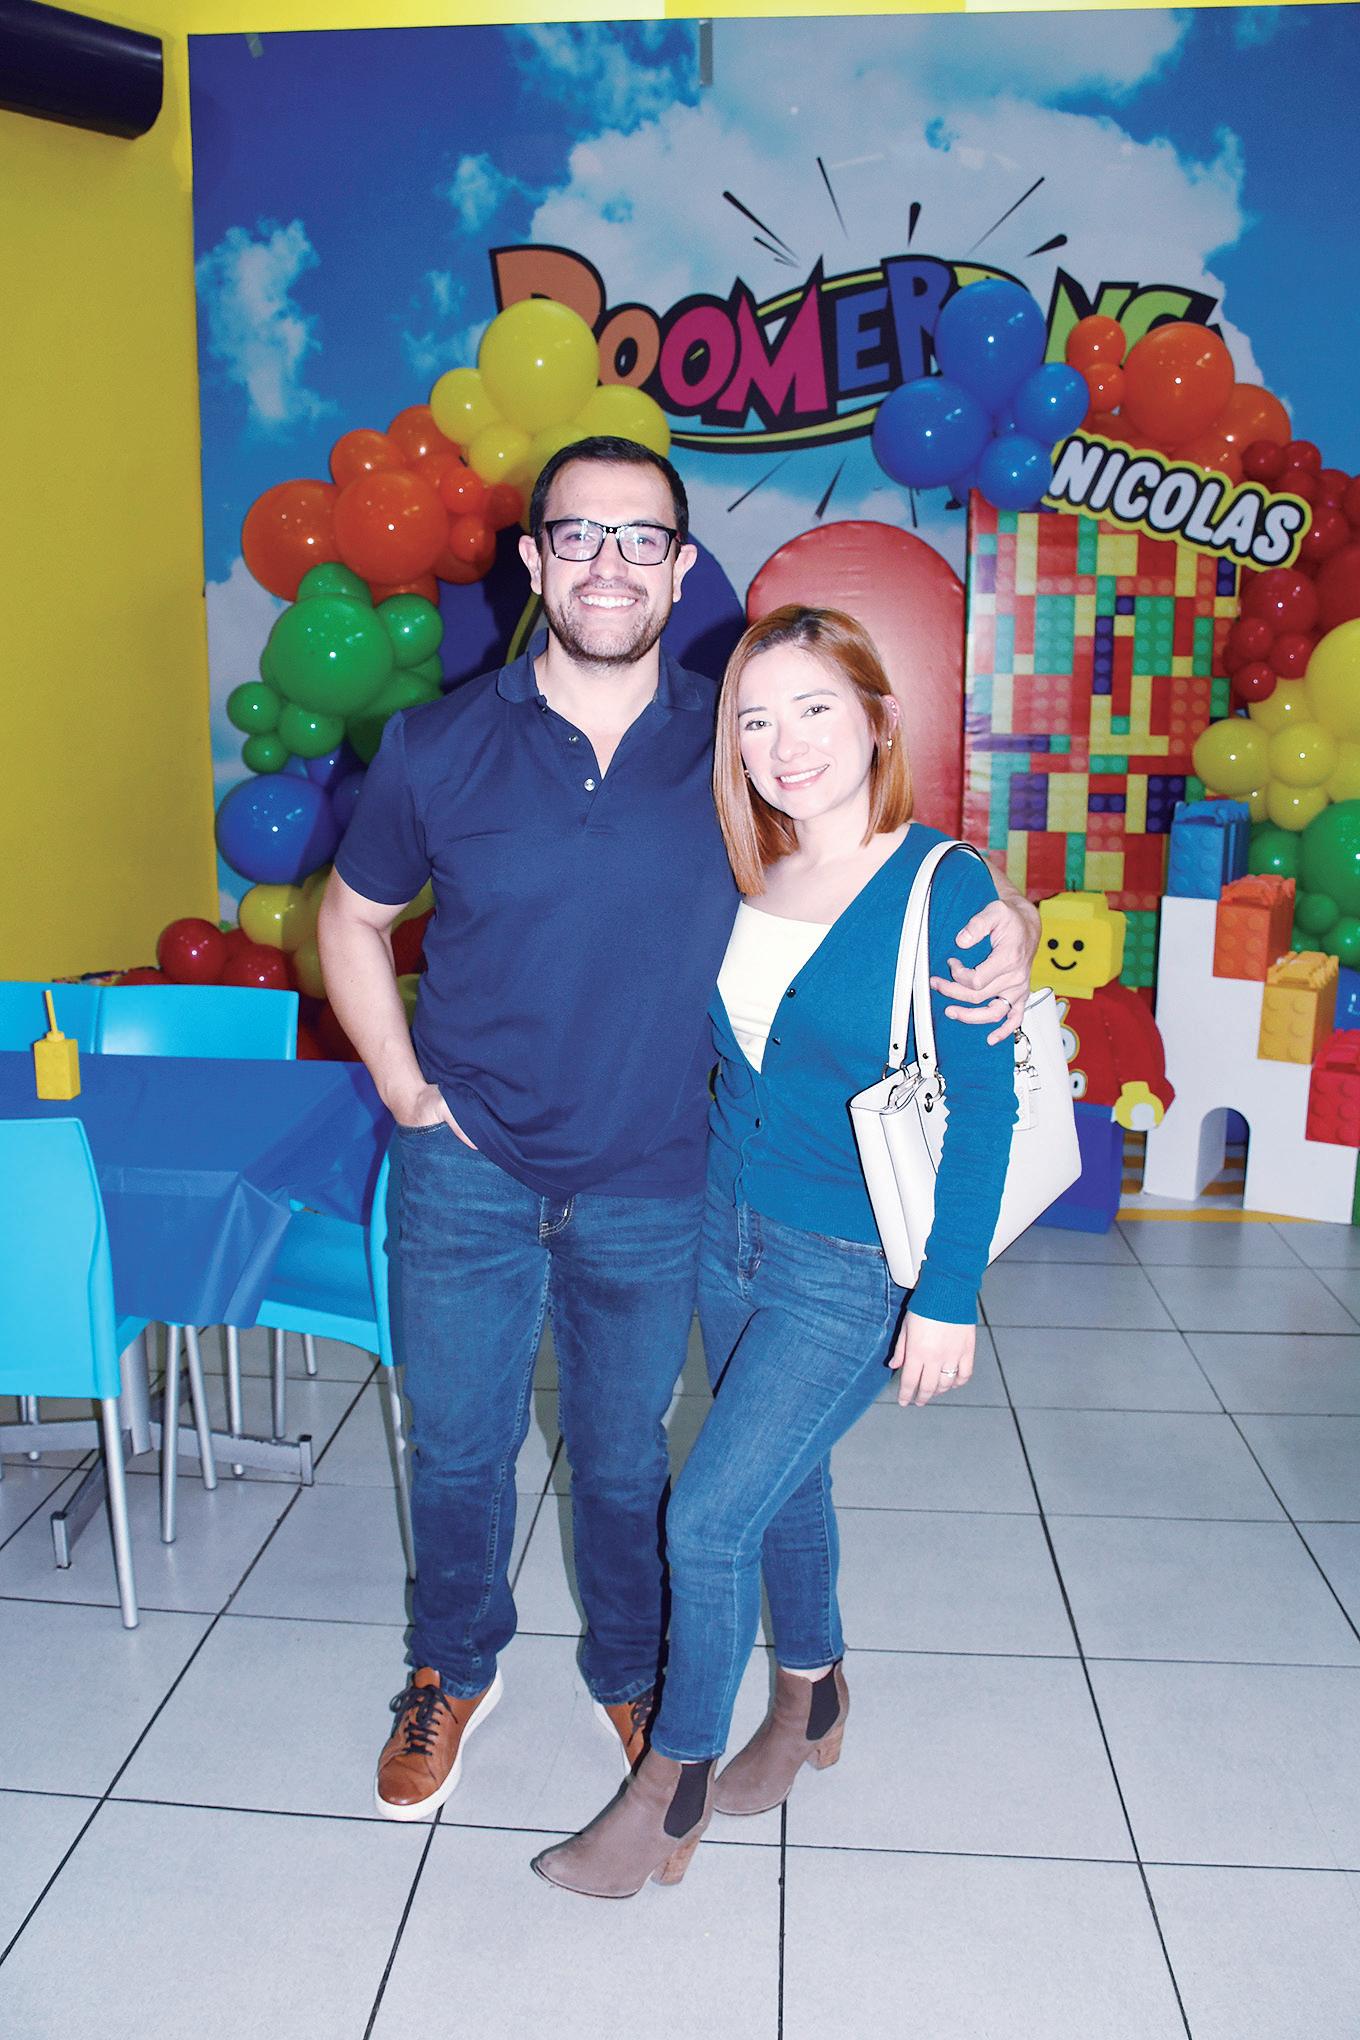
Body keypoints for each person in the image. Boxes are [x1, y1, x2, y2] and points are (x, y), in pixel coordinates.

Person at [318, 439, 1036, 1824]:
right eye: (579, 536)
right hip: (465, 1170)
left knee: (625, 1454)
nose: (610, 564)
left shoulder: (732, 748)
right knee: (457, 1448)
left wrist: (1001, 911)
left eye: (641, 538)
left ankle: (632, 1669)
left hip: (658, 1183)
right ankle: (450, 1667)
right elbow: (351, 917)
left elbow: (875, 858)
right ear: (534, 561)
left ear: (680, 565)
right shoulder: (436, 747)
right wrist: (405, 1088)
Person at [533, 606, 1018, 1899]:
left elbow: (987, 1109)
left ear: (877, 719)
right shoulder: (742, 868)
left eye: (815, 709)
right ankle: (814, 1695)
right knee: (785, 1481)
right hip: (727, 1236)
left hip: (855, 1267)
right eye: (756, 719)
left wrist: (948, 1299)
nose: (786, 743)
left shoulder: (944, 887)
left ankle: (671, 1783)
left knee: (705, 1518)